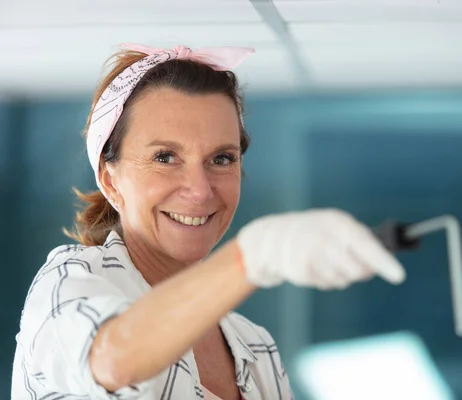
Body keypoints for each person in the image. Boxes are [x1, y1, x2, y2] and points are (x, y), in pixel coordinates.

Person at [11, 43, 406, 400]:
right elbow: (112, 359)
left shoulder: (255, 347)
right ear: (110, 180)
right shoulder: (68, 282)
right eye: (165, 157)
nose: (200, 191)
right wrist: (250, 258)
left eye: (221, 159)